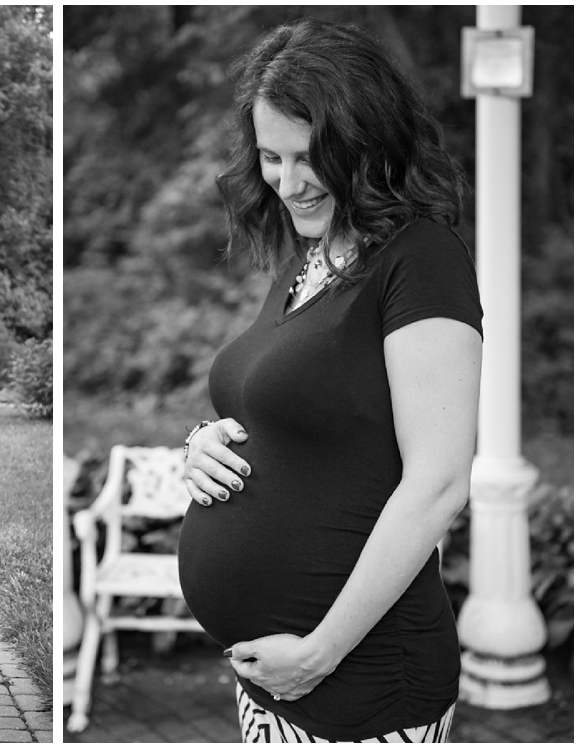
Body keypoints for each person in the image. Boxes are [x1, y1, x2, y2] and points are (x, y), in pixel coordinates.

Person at [177, 19, 483, 743]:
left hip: (362, 677)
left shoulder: (420, 259)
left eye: (310, 158)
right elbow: (286, 412)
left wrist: (321, 652)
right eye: (271, 158)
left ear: (367, 143)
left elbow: (438, 483)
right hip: (272, 682)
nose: (287, 183)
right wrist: (202, 441)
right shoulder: (307, 259)